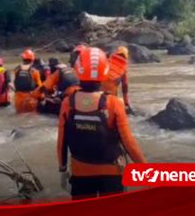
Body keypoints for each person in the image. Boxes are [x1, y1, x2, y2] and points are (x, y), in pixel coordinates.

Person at [57, 47, 146, 200]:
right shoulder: (114, 103)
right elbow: (128, 143)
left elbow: (61, 142)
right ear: (105, 70)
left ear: (78, 69)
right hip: (111, 174)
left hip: (80, 174)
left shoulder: (67, 103)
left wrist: (63, 169)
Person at [102, 46, 132, 114]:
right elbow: (125, 86)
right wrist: (126, 104)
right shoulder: (124, 67)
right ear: (126, 56)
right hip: (111, 89)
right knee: (111, 110)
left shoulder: (108, 59)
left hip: (99, 85)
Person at [13, 49, 43, 113]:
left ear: (23, 59)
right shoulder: (35, 72)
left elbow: (15, 83)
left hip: (18, 100)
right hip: (30, 99)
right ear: (32, 60)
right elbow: (40, 87)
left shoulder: (16, 70)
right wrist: (42, 98)